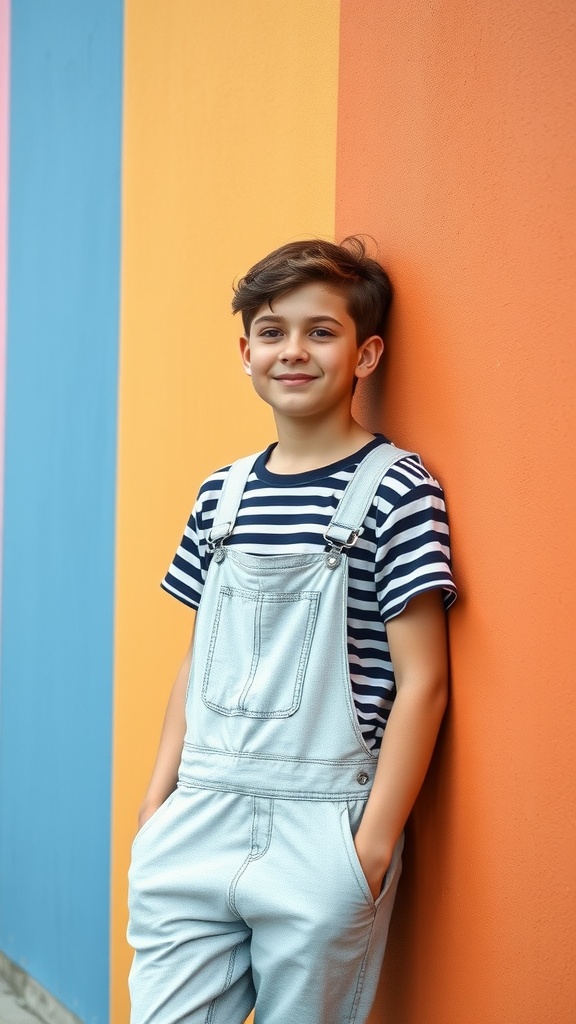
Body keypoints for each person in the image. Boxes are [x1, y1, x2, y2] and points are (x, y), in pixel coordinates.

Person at [127, 237, 457, 1024]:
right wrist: (156, 807)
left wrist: (369, 850)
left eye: (321, 331)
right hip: (197, 818)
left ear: (366, 352)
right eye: (273, 332)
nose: (294, 351)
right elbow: (197, 658)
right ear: (245, 352)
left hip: (324, 831)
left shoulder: (397, 489)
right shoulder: (221, 495)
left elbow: (425, 681)